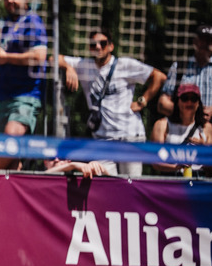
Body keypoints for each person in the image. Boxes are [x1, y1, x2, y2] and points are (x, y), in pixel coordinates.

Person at [59, 28, 165, 177]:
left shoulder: (124, 65)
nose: (97, 47)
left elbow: (159, 77)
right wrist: (69, 68)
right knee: (105, 186)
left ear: (111, 46)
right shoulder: (85, 65)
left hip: (128, 136)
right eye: (93, 44)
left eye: (102, 43)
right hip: (103, 139)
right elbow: (54, 58)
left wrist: (142, 101)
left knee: (131, 186)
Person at [0, 0, 47, 169]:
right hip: (5, 98)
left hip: (26, 97)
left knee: (9, 143)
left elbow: (40, 56)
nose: (10, 0)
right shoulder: (7, 24)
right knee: (11, 160)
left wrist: (6, 58)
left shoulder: (33, 21)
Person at [157, 24, 212, 121]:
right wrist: (187, 112)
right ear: (194, 42)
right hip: (182, 129)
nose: (205, 44)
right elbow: (162, 104)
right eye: (202, 40)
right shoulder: (179, 67)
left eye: (209, 40)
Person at [150, 83, 212, 176]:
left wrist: (204, 149)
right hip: (171, 181)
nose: (189, 102)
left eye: (193, 99)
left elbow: (211, 167)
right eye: (185, 98)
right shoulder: (162, 125)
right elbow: (155, 162)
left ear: (198, 103)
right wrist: (177, 167)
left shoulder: (207, 128)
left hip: (198, 181)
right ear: (177, 101)